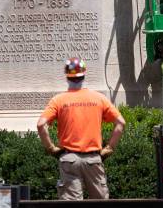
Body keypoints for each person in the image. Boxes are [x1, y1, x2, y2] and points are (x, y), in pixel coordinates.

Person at [37, 57, 126, 200]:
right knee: (101, 206)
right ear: (84, 75)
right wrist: (109, 148)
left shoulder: (58, 100)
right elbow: (120, 123)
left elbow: (41, 125)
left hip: (69, 159)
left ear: (67, 76)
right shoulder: (99, 98)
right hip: (93, 158)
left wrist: (51, 148)